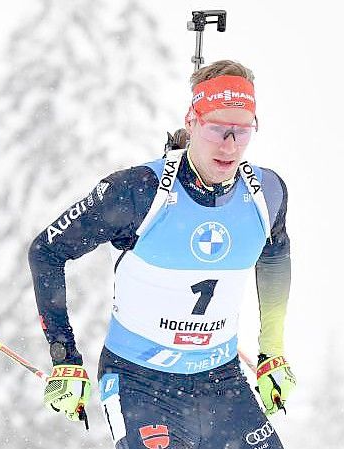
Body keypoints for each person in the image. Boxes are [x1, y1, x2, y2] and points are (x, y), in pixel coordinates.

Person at [29, 60, 296, 449]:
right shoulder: (139, 191)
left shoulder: (266, 194)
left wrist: (272, 352)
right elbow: (47, 250)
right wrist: (64, 355)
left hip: (221, 383)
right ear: (192, 121)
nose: (230, 144)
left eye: (242, 131)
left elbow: (274, 255)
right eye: (217, 128)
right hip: (141, 384)